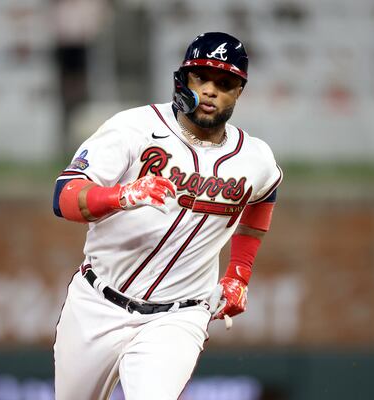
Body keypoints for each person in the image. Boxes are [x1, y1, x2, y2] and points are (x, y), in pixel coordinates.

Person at [52, 32, 282, 400]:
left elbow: (263, 197)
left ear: (239, 92)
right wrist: (122, 195)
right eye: (201, 77)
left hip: (178, 315)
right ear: (183, 79)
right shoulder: (134, 128)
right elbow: (63, 196)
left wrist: (239, 273)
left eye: (224, 83)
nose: (210, 90)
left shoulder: (255, 158)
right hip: (97, 303)